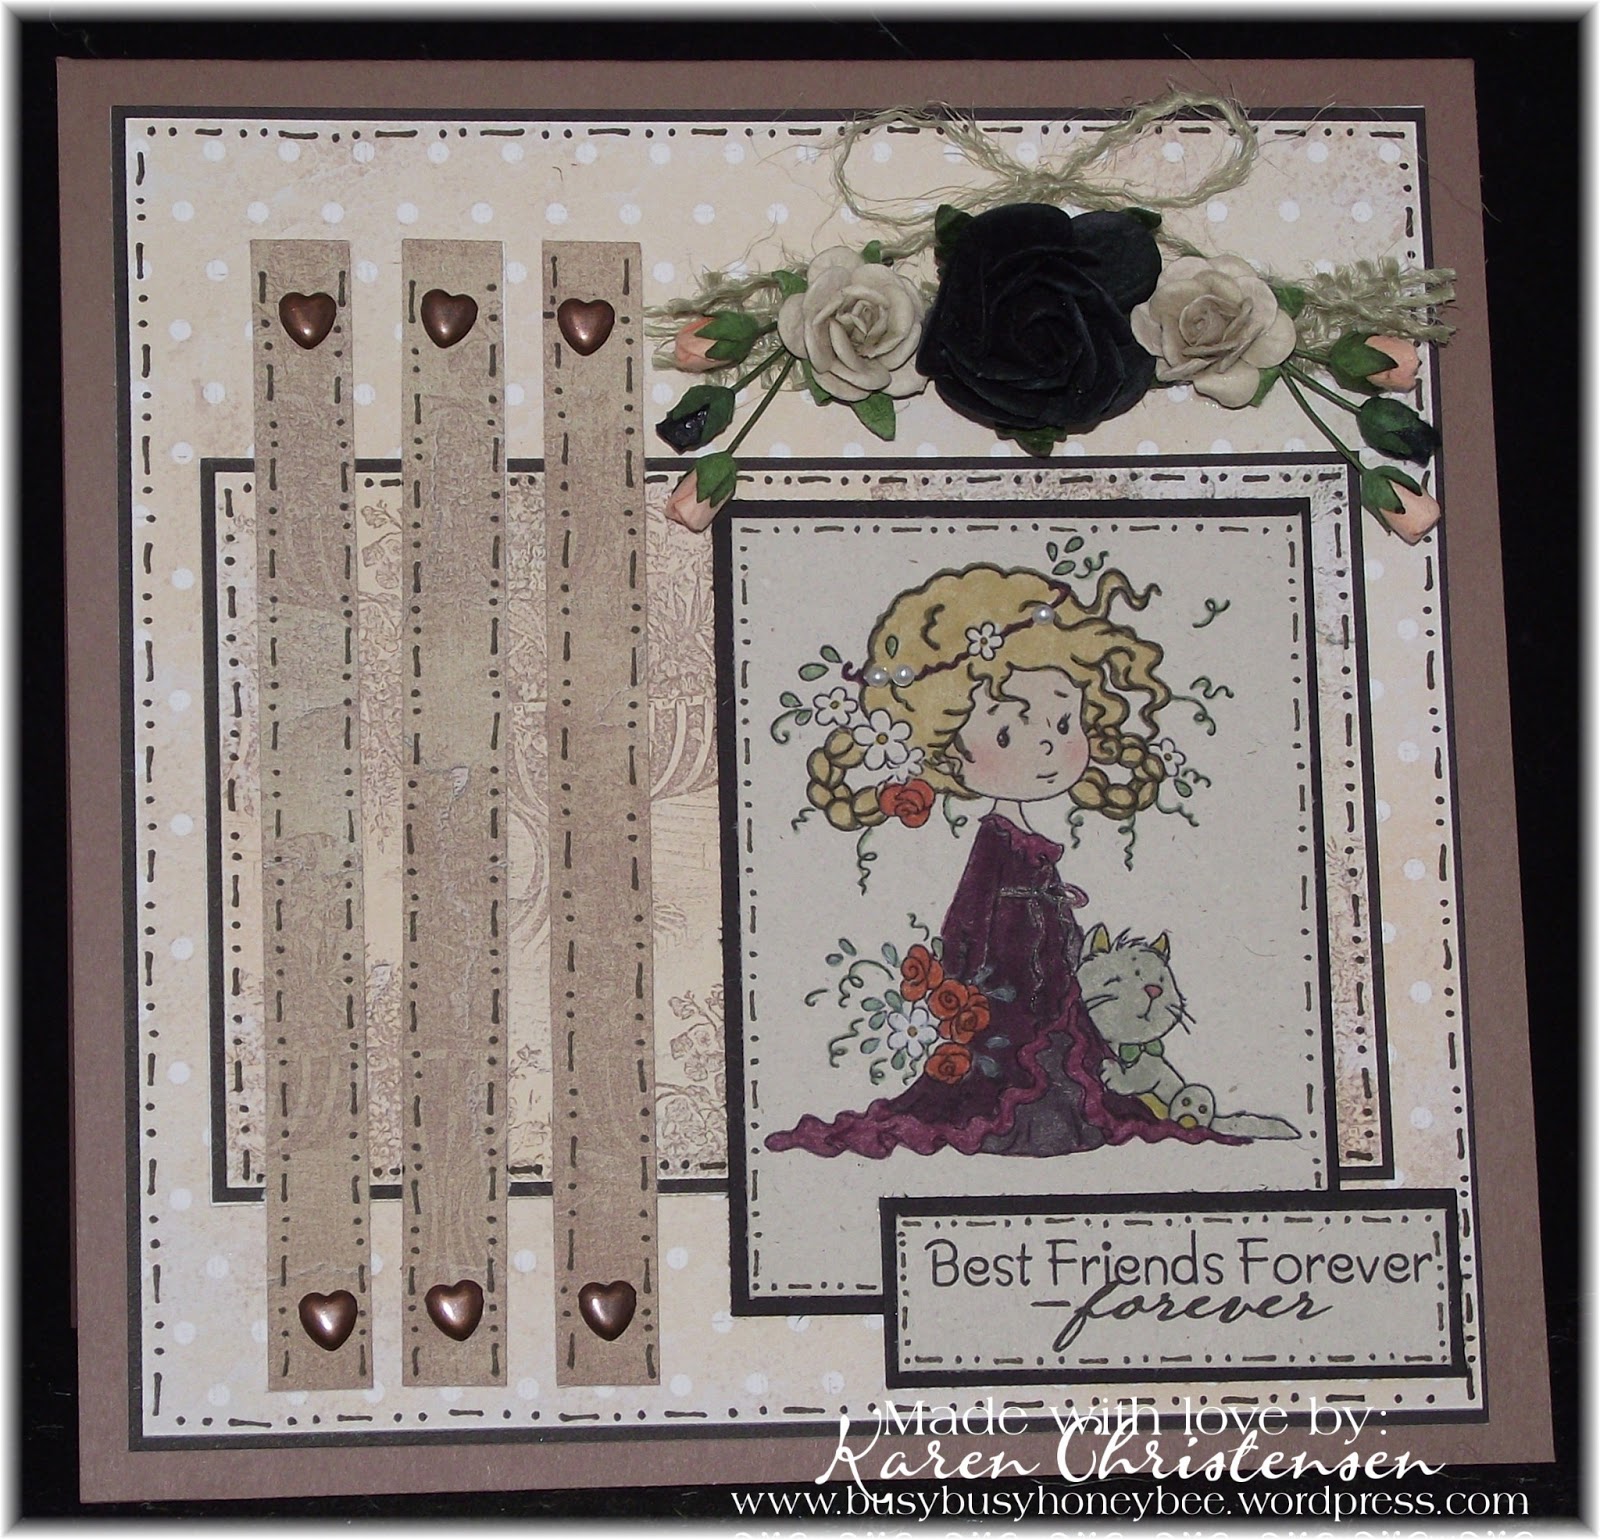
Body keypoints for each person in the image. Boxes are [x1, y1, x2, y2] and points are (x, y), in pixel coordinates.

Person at [766, 562, 1235, 1158]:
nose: (1046, 746)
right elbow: (965, 917)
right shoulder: (996, 842)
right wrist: (964, 974)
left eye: (1062, 722)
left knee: (1069, 1064)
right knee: (1014, 1071)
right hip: (1005, 988)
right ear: (950, 748)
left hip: (1047, 980)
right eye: (1009, 734)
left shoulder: (1030, 844)